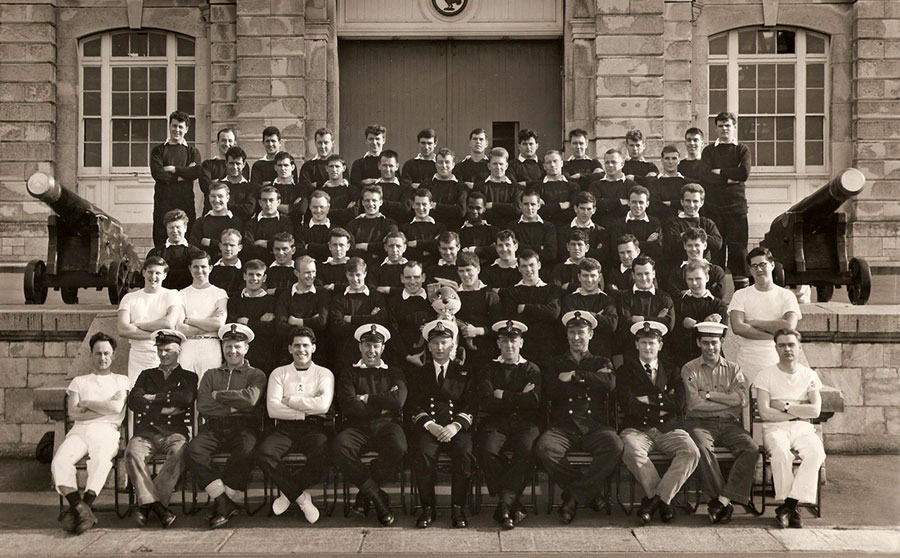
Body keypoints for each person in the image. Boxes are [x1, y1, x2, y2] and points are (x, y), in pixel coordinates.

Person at [534, 311, 623, 524]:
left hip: (595, 426)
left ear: (591, 334)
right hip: (563, 426)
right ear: (566, 335)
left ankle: (573, 497)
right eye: (572, 332)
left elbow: (609, 384)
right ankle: (590, 493)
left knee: (615, 446)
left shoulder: (602, 360)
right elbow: (553, 391)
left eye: (581, 333)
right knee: (544, 449)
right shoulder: (554, 362)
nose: (576, 338)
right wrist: (592, 381)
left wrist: (575, 376)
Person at [184, 323, 267, 529]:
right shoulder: (211, 374)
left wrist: (219, 396)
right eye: (228, 346)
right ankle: (224, 502)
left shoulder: (256, 375)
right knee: (193, 451)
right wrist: (233, 407)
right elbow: (203, 404)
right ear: (222, 347)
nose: (232, 351)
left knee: (247, 451)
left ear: (246, 348)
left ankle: (223, 503)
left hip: (244, 427)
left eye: (237, 346)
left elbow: (250, 400)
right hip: (213, 427)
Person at [616, 321, 699, 525]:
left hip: (668, 427)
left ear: (660, 345)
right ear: (636, 344)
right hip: (637, 428)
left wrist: (647, 399)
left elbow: (679, 403)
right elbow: (628, 405)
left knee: (691, 452)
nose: (647, 347)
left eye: (652, 343)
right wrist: (662, 399)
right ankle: (663, 502)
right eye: (643, 343)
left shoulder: (672, 370)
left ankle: (655, 502)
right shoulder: (625, 370)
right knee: (631, 451)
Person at [52, 332, 130, 535]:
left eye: (106, 353)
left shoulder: (121, 380)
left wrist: (87, 404)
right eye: (98, 353)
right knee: (60, 461)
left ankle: (83, 506)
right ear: (91, 355)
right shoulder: (79, 381)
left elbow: (116, 409)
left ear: (113, 355)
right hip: (79, 431)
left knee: (101, 461)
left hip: (107, 431)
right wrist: (103, 407)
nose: (102, 358)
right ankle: (81, 509)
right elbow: (72, 412)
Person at [681, 322, 758, 523]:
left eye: (714, 342)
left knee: (751, 448)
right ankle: (719, 499)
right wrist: (726, 401)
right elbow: (694, 404)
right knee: (702, 448)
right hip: (699, 423)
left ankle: (722, 500)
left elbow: (740, 400)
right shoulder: (689, 368)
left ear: (722, 342)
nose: (710, 348)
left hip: (729, 425)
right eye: (705, 343)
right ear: (699, 343)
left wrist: (708, 395)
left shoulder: (734, 369)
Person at [332, 324, 408, 527]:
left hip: (387, 425)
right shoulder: (349, 373)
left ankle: (365, 495)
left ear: (383, 348)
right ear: (360, 346)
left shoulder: (394, 372)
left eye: (376, 346)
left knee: (399, 447)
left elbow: (398, 401)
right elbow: (349, 406)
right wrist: (382, 404)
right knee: (340, 447)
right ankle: (377, 497)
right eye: (367, 345)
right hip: (357, 426)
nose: (371, 351)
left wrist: (366, 398)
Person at [257, 326, 334, 522]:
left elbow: (323, 406)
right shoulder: (279, 373)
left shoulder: (324, 373)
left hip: (314, 427)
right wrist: (306, 409)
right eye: (297, 345)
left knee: (324, 454)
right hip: (284, 427)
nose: (302, 350)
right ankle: (301, 497)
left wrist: (290, 400)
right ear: (290, 348)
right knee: (265, 453)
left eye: (306, 345)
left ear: (314, 348)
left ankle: (288, 492)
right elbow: (273, 409)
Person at [753, 329, 826, 529]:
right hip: (775, 428)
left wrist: (785, 407)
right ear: (775, 348)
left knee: (816, 452)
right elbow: (765, 413)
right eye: (782, 345)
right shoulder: (765, 375)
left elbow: (815, 410)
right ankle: (792, 508)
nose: (787, 349)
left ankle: (788, 505)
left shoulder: (809, 375)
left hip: (803, 428)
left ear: (799, 347)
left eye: (791, 344)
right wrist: (799, 410)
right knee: (781, 453)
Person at [408, 319, 477, 529]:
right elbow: (413, 405)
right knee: (423, 454)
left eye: (445, 343)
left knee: (465, 454)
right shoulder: (419, 373)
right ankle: (428, 508)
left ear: (453, 346)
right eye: (435, 343)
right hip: (430, 428)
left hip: (455, 428)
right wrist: (431, 425)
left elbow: (471, 404)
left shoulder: (465, 373)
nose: (440, 348)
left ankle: (458, 507)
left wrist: (454, 426)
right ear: (428, 346)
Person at [125, 329, 198, 528]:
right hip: (147, 432)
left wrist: (153, 398)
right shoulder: (146, 375)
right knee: (132, 453)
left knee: (180, 453)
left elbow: (186, 398)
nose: (163, 354)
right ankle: (158, 507)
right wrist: (165, 408)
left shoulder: (188, 377)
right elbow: (134, 400)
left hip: (175, 432)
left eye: (168, 350)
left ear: (179, 350)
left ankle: (146, 505)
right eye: (160, 350)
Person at [475, 320, 542, 530]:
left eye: (513, 341)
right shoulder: (488, 368)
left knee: (526, 450)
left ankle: (505, 502)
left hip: (525, 422)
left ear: (521, 343)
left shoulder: (531, 369)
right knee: (487, 450)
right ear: (498, 343)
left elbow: (534, 402)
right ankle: (512, 501)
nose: (509, 346)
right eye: (504, 341)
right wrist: (519, 396)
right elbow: (485, 401)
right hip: (496, 422)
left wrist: (503, 394)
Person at [728, 247, 801, 383]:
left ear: (772, 265)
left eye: (763, 264)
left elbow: (789, 326)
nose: (759, 270)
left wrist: (754, 322)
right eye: (754, 266)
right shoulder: (740, 295)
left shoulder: (786, 295)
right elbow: (738, 327)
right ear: (750, 270)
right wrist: (775, 335)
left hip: (776, 359)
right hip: (747, 361)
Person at [701, 112, 752, 288]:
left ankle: (742, 291)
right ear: (716, 128)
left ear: (734, 127)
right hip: (714, 209)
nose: (724, 129)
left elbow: (744, 173)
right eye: (721, 125)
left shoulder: (742, 149)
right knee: (716, 250)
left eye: (728, 125)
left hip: (737, 209)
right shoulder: (709, 151)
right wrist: (731, 176)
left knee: (739, 250)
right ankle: (717, 290)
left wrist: (719, 171)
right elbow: (706, 177)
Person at [118, 256, 182, 385]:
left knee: (163, 395)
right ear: (143, 272)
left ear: (164, 275)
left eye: (158, 273)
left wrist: (137, 325)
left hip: (163, 353)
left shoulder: (172, 295)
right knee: (138, 393)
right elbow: (123, 329)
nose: (153, 276)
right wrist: (156, 336)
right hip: (137, 354)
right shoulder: (129, 298)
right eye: (150, 272)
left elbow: (168, 323)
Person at [499, 248, 562, 371]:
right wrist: (541, 311)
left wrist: (525, 308)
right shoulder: (513, 291)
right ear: (518, 268)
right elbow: (512, 318)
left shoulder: (551, 289)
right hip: (524, 348)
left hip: (548, 348)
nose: (528, 270)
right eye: (524, 266)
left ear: (538, 265)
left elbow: (553, 313)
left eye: (531, 265)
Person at [149, 110, 202, 246]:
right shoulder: (158, 150)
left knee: (187, 232)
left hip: (185, 200)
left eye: (180, 127)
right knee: (161, 233)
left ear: (186, 129)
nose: (176, 130)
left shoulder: (192, 151)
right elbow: (158, 174)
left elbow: (195, 172)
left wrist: (173, 169)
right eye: (174, 126)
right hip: (163, 200)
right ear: (169, 126)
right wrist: (183, 176)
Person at [328, 257, 388, 374]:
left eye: (358, 275)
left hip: (371, 352)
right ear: (346, 275)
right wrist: (369, 319)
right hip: (345, 351)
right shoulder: (339, 299)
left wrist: (351, 319)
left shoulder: (376, 296)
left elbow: (381, 321)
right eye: (351, 275)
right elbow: (337, 327)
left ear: (365, 274)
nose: (355, 279)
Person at [176, 249, 227, 381]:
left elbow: (219, 324)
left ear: (210, 268)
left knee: (208, 387)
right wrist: (208, 325)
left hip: (210, 346)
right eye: (196, 267)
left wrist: (189, 320)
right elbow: (179, 328)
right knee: (186, 390)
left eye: (203, 266)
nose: (200, 271)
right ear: (190, 268)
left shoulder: (219, 293)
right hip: (187, 346)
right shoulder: (181, 294)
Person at [615, 255, 675, 362]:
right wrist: (657, 319)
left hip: (659, 354)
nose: (643, 278)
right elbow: (625, 324)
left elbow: (669, 324)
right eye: (639, 274)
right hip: (632, 352)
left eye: (647, 273)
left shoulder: (664, 297)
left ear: (653, 274)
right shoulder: (624, 298)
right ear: (633, 275)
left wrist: (642, 319)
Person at [274, 256, 330, 367]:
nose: (312, 276)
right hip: (290, 353)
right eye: (307, 272)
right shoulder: (285, 296)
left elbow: (322, 322)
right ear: (296, 273)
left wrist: (297, 321)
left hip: (318, 354)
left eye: (313, 272)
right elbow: (280, 327)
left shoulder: (322, 294)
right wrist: (311, 321)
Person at [671, 261, 729, 366]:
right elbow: (676, 334)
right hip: (683, 359)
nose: (694, 283)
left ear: (707, 278)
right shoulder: (678, 303)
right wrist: (706, 324)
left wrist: (695, 324)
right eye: (690, 279)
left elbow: (719, 335)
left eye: (698, 279)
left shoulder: (718, 305)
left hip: (711, 359)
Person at [227, 259, 278, 375]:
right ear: (244, 276)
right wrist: (260, 323)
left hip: (265, 355)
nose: (254, 278)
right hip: (239, 356)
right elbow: (232, 327)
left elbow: (271, 329)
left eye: (258, 275)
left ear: (264, 278)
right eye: (250, 274)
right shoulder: (234, 300)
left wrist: (248, 322)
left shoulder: (272, 301)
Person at [560, 258, 618, 359]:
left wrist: (589, 315)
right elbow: (568, 325)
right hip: (576, 355)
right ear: (579, 277)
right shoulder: (570, 299)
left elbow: (612, 324)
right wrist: (599, 316)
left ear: (599, 277)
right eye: (585, 275)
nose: (589, 280)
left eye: (593, 276)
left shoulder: (608, 300)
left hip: (601, 353)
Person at [455, 252, 502, 368]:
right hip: (461, 356)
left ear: (478, 269)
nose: (465, 275)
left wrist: (478, 331)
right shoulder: (454, 296)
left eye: (469, 270)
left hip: (486, 355)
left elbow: (500, 328)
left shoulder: (490, 295)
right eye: (461, 271)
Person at [384, 260, 435, 368]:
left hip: (432, 360)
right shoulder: (393, 302)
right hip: (402, 360)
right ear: (402, 278)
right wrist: (407, 356)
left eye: (416, 277)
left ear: (423, 277)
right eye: (408, 277)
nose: (412, 281)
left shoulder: (433, 300)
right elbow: (392, 332)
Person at [662, 183, 722, 270]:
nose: (691, 205)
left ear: (702, 203)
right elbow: (672, 245)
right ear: (682, 202)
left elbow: (717, 243)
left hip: (704, 270)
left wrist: (685, 235)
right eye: (688, 200)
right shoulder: (673, 222)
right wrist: (702, 236)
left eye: (695, 201)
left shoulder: (707, 223)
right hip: (680, 270)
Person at [662, 228, 726, 300]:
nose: (693, 249)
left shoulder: (716, 271)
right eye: (689, 245)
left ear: (705, 245)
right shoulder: (677, 272)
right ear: (684, 246)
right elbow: (674, 297)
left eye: (697, 245)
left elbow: (719, 295)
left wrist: (686, 293)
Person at [604, 185, 663, 261]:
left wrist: (630, 246)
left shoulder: (654, 222)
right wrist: (647, 243)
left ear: (647, 204)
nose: (637, 206)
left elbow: (658, 250)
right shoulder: (618, 224)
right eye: (634, 202)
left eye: (641, 202)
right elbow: (616, 252)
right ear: (628, 203)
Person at [189, 181, 243, 263]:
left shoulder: (236, 222)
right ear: (209, 198)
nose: (216, 200)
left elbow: (234, 247)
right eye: (213, 196)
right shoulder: (200, 222)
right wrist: (218, 244)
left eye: (220, 196)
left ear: (227, 198)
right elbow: (195, 246)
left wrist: (210, 242)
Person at [346, 184, 400, 264]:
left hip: (382, 267)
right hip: (358, 268)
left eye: (374, 200)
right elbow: (349, 249)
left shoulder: (390, 224)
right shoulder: (352, 224)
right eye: (367, 200)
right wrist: (372, 254)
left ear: (380, 202)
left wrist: (365, 246)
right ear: (362, 202)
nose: (370, 204)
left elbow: (389, 247)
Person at [199, 128, 248, 215]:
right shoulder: (208, 164)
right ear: (217, 142)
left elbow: (241, 189)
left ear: (235, 142)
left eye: (230, 141)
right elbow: (206, 188)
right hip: (212, 213)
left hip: (236, 214)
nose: (227, 144)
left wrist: (216, 182)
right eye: (223, 140)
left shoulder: (244, 166)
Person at [147, 209, 198, 290]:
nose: (175, 231)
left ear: (185, 228)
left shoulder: (195, 252)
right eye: (171, 227)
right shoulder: (156, 253)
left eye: (178, 227)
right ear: (166, 229)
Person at [242, 186, 294, 264]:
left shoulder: (286, 221)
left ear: (278, 202)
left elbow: (285, 245)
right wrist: (272, 245)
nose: (268, 204)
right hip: (257, 265)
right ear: (259, 203)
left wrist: (261, 243)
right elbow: (248, 248)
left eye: (271, 200)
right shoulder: (251, 223)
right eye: (264, 200)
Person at [508, 187, 557, 267]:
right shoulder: (512, 226)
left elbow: (551, 255)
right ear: (520, 205)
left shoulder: (548, 227)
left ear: (538, 205)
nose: (529, 208)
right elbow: (512, 252)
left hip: (544, 269)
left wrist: (521, 247)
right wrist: (540, 248)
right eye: (526, 204)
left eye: (533, 204)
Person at [421, 147, 466, 229]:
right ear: (436, 164)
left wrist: (435, 206)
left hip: (453, 230)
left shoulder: (460, 186)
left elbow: (460, 211)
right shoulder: (426, 184)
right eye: (440, 162)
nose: (443, 166)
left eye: (447, 162)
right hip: (430, 230)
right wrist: (451, 208)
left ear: (453, 165)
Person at [589, 149, 638, 222]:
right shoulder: (596, 185)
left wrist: (606, 203)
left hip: (625, 229)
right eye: (607, 162)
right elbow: (594, 206)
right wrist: (619, 202)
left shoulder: (631, 185)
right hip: (602, 229)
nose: (610, 165)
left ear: (622, 163)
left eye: (613, 162)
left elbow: (633, 208)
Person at [534, 150, 580, 227]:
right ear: (544, 166)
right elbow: (537, 211)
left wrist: (549, 208)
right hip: (544, 227)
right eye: (549, 162)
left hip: (567, 227)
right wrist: (559, 206)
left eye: (555, 161)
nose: (552, 165)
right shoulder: (537, 187)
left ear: (561, 163)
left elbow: (574, 211)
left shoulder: (573, 186)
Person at [476, 147, 520, 225]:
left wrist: (492, 205)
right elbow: (480, 211)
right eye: (495, 164)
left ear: (506, 166)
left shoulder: (515, 187)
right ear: (489, 166)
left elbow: (517, 209)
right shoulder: (480, 187)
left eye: (501, 164)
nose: (498, 167)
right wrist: (506, 209)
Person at [401, 190, 444, 266]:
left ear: (430, 205)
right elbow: (405, 251)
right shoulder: (405, 227)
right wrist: (426, 251)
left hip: (434, 267)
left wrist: (416, 244)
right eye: (417, 204)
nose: (421, 208)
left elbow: (440, 247)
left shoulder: (440, 227)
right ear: (412, 205)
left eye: (424, 204)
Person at [646, 145, 688, 222]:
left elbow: (688, 204)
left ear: (679, 160)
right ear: (661, 160)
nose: (670, 162)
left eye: (674, 158)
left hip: (682, 223)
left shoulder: (686, 182)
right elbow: (654, 207)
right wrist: (676, 210)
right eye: (667, 158)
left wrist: (670, 203)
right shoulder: (653, 183)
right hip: (661, 223)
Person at [458, 190, 499, 264]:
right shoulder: (458, 232)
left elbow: (497, 251)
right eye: (471, 207)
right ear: (466, 208)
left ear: (484, 209)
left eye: (478, 208)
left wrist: (477, 250)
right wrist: (487, 250)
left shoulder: (494, 231)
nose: (474, 211)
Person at [319, 154, 360, 227]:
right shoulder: (321, 192)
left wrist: (328, 211)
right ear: (326, 168)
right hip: (327, 229)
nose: (334, 169)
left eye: (337, 166)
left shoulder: (353, 190)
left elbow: (354, 213)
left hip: (348, 229)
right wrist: (345, 210)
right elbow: (320, 213)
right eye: (331, 166)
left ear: (343, 168)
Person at [221, 146, 258, 223]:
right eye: (231, 163)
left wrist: (225, 206)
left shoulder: (252, 188)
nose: (234, 167)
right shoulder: (218, 186)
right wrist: (240, 207)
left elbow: (248, 211)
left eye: (238, 164)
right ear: (226, 163)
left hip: (243, 229)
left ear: (244, 164)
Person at [300, 190, 337, 262]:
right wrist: (326, 248)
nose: (318, 210)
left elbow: (337, 252)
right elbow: (300, 252)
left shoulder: (336, 230)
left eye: (322, 207)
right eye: (315, 207)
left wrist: (310, 246)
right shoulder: (301, 231)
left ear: (328, 207)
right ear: (310, 207)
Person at [209, 229, 244, 295]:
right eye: (225, 244)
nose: (228, 248)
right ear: (220, 246)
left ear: (240, 247)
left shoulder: (245, 270)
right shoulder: (210, 269)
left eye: (232, 245)